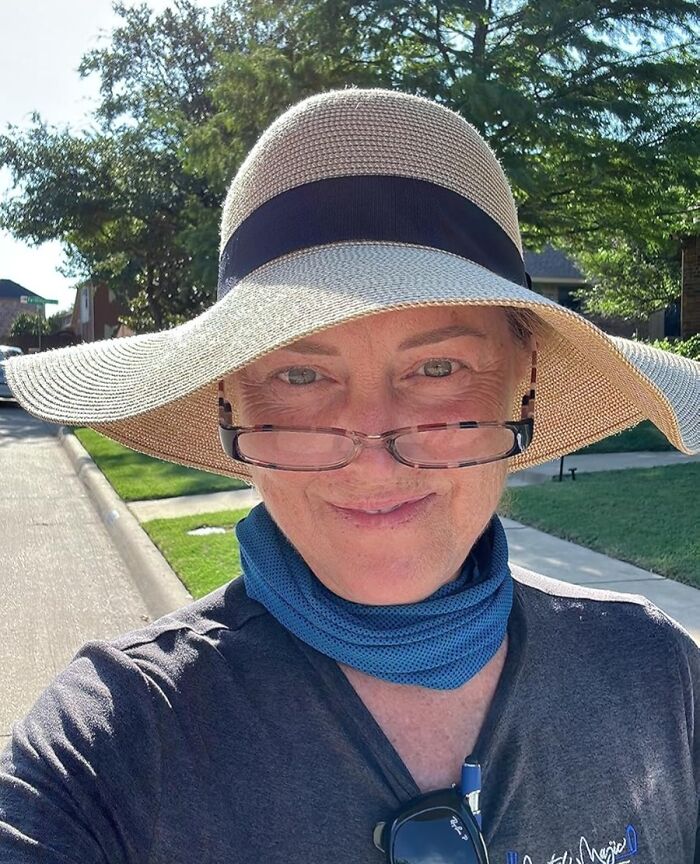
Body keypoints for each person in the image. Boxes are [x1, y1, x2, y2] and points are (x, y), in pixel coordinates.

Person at [1, 88, 699, 864]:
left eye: (438, 367)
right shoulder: (110, 748)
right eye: (300, 376)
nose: (373, 454)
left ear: (521, 379)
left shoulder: (658, 678)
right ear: (230, 400)